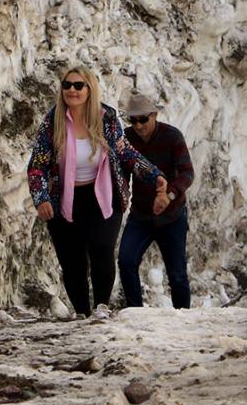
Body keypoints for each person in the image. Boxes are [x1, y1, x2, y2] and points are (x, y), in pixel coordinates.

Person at [27, 66, 166, 317]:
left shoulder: (107, 118)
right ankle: (82, 312)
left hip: (102, 194)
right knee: (72, 261)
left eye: (78, 85)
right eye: (67, 85)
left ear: (90, 89)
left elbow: (124, 152)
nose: (72, 90)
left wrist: (153, 174)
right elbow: (37, 165)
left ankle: (102, 307)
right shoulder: (53, 120)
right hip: (64, 198)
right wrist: (41, 198)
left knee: (102, 248)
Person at [117, 93, 195, 309]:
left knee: (177, 273)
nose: (139, 125)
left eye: (144, 119)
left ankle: (183, 318)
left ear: (155, 115)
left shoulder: (172, 137)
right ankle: (135, 311)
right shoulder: (126, 139)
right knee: (126, 261)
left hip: (172, 215)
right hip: (141, 215)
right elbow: (120, 173)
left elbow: (187, 173)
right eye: (134, 120)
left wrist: (169, 195)